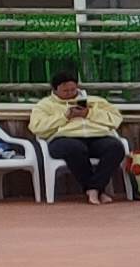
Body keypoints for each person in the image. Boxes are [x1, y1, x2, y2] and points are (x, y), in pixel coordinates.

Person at [26, 72, 132, 204]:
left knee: (115, 147)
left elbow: (116, 119)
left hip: (96, 136)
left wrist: (89, 113)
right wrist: (65, 117)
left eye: (73, 89)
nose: (70, 93)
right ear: (55, 90)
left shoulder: (95, 101)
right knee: (75, 149)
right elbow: (37, 127)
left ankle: (94, 189)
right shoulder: (45, 105)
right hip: (63, 138)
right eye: (65, 91)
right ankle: (97, 190)